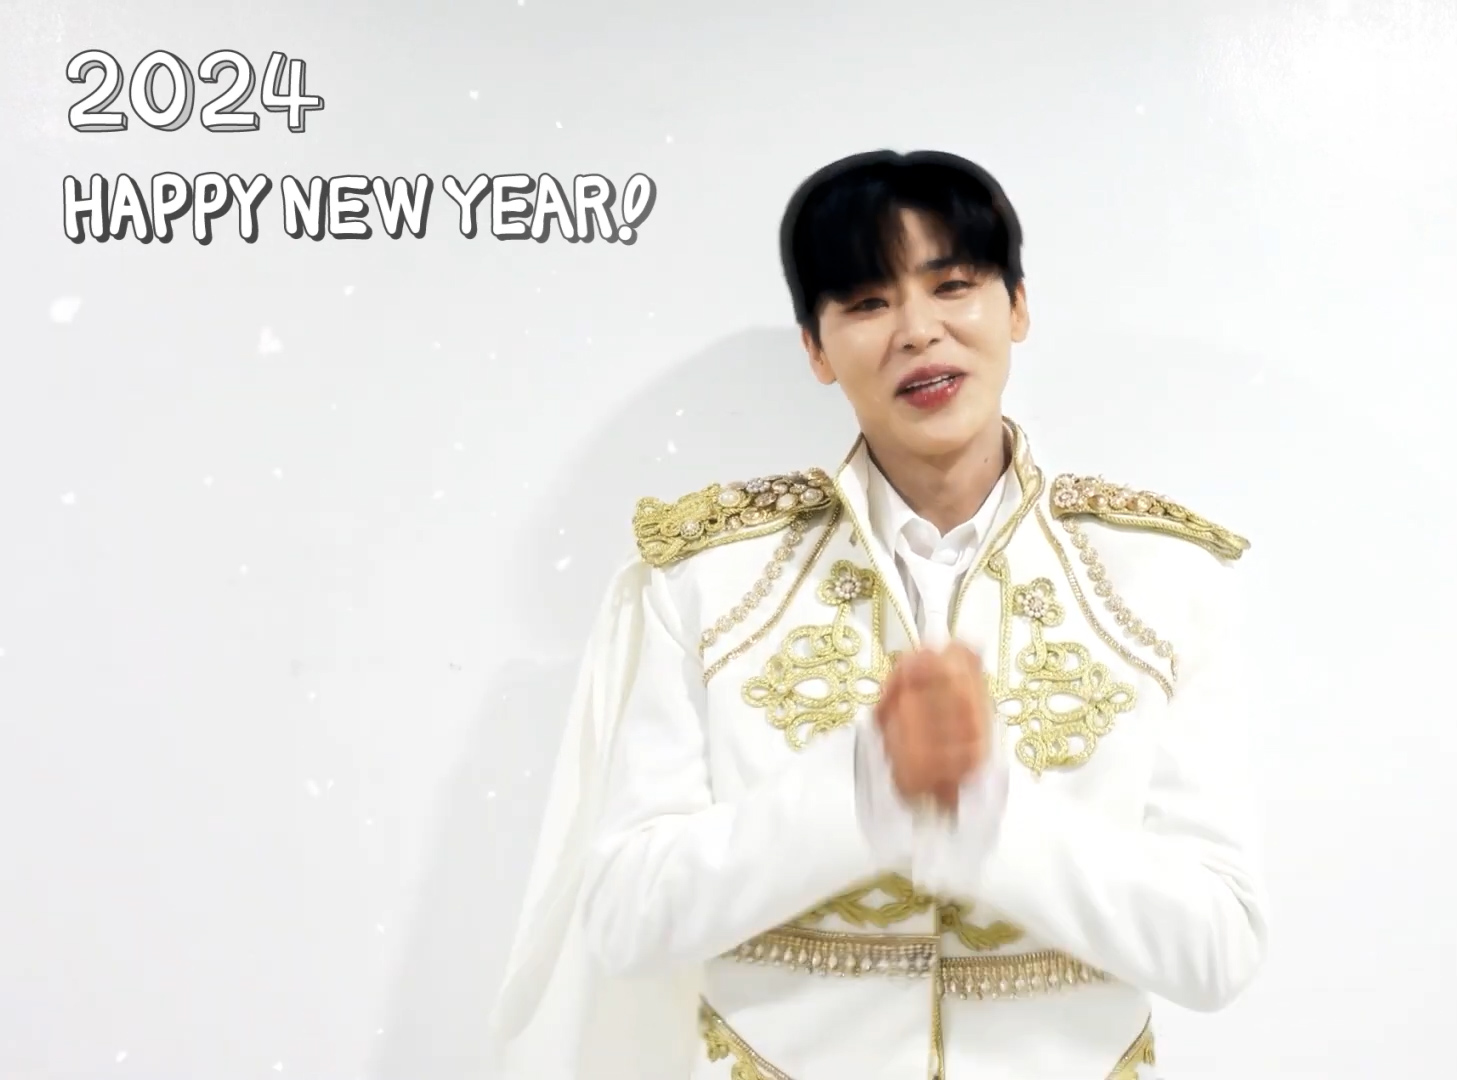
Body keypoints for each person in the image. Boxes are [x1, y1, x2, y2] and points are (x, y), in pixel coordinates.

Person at [489, 149, 1269, 1080]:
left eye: (954, 285)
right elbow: (625, 917)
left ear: (1018, 306)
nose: (918, 331)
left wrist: (983, 810)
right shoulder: (710, 578)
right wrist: (867, 785)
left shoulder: (1161, 576)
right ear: (816, 349)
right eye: (867, 302)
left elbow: (1217, 945)